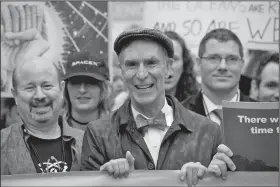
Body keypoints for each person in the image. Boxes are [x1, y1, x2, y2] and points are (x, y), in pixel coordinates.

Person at [81, 28, 236, 187]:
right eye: (132, 64)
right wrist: (110, 182)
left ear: (168, 67)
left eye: (151, 63)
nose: (141, 74)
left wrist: (209, 180)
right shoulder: (98, 134)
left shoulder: (209, 132)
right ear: (121, 70)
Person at [1, 56, 84, 175]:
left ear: (61, 89)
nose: (39, 96)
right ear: (15, 95)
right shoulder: (2, 144)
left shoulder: (88, 143)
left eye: (47, 86)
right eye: (29, 88)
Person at [182, 28, 255, 125]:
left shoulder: (264, 116)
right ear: (198, 64)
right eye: (213, 58)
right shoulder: (178, 116)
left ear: (242, 64)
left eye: (232, 59)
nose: (223, 66)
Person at [63, 51, 111, 131]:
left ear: (103, 89)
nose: (82, 90)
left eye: (91, 82)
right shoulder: (50, 132)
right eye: (76, 82)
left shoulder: (119, 133)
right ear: (66, 88)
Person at [164, 31, 198, 102]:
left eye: (174, 59)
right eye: (162, 59)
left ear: (184, 65)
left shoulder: (198, 104)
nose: (168, 66)